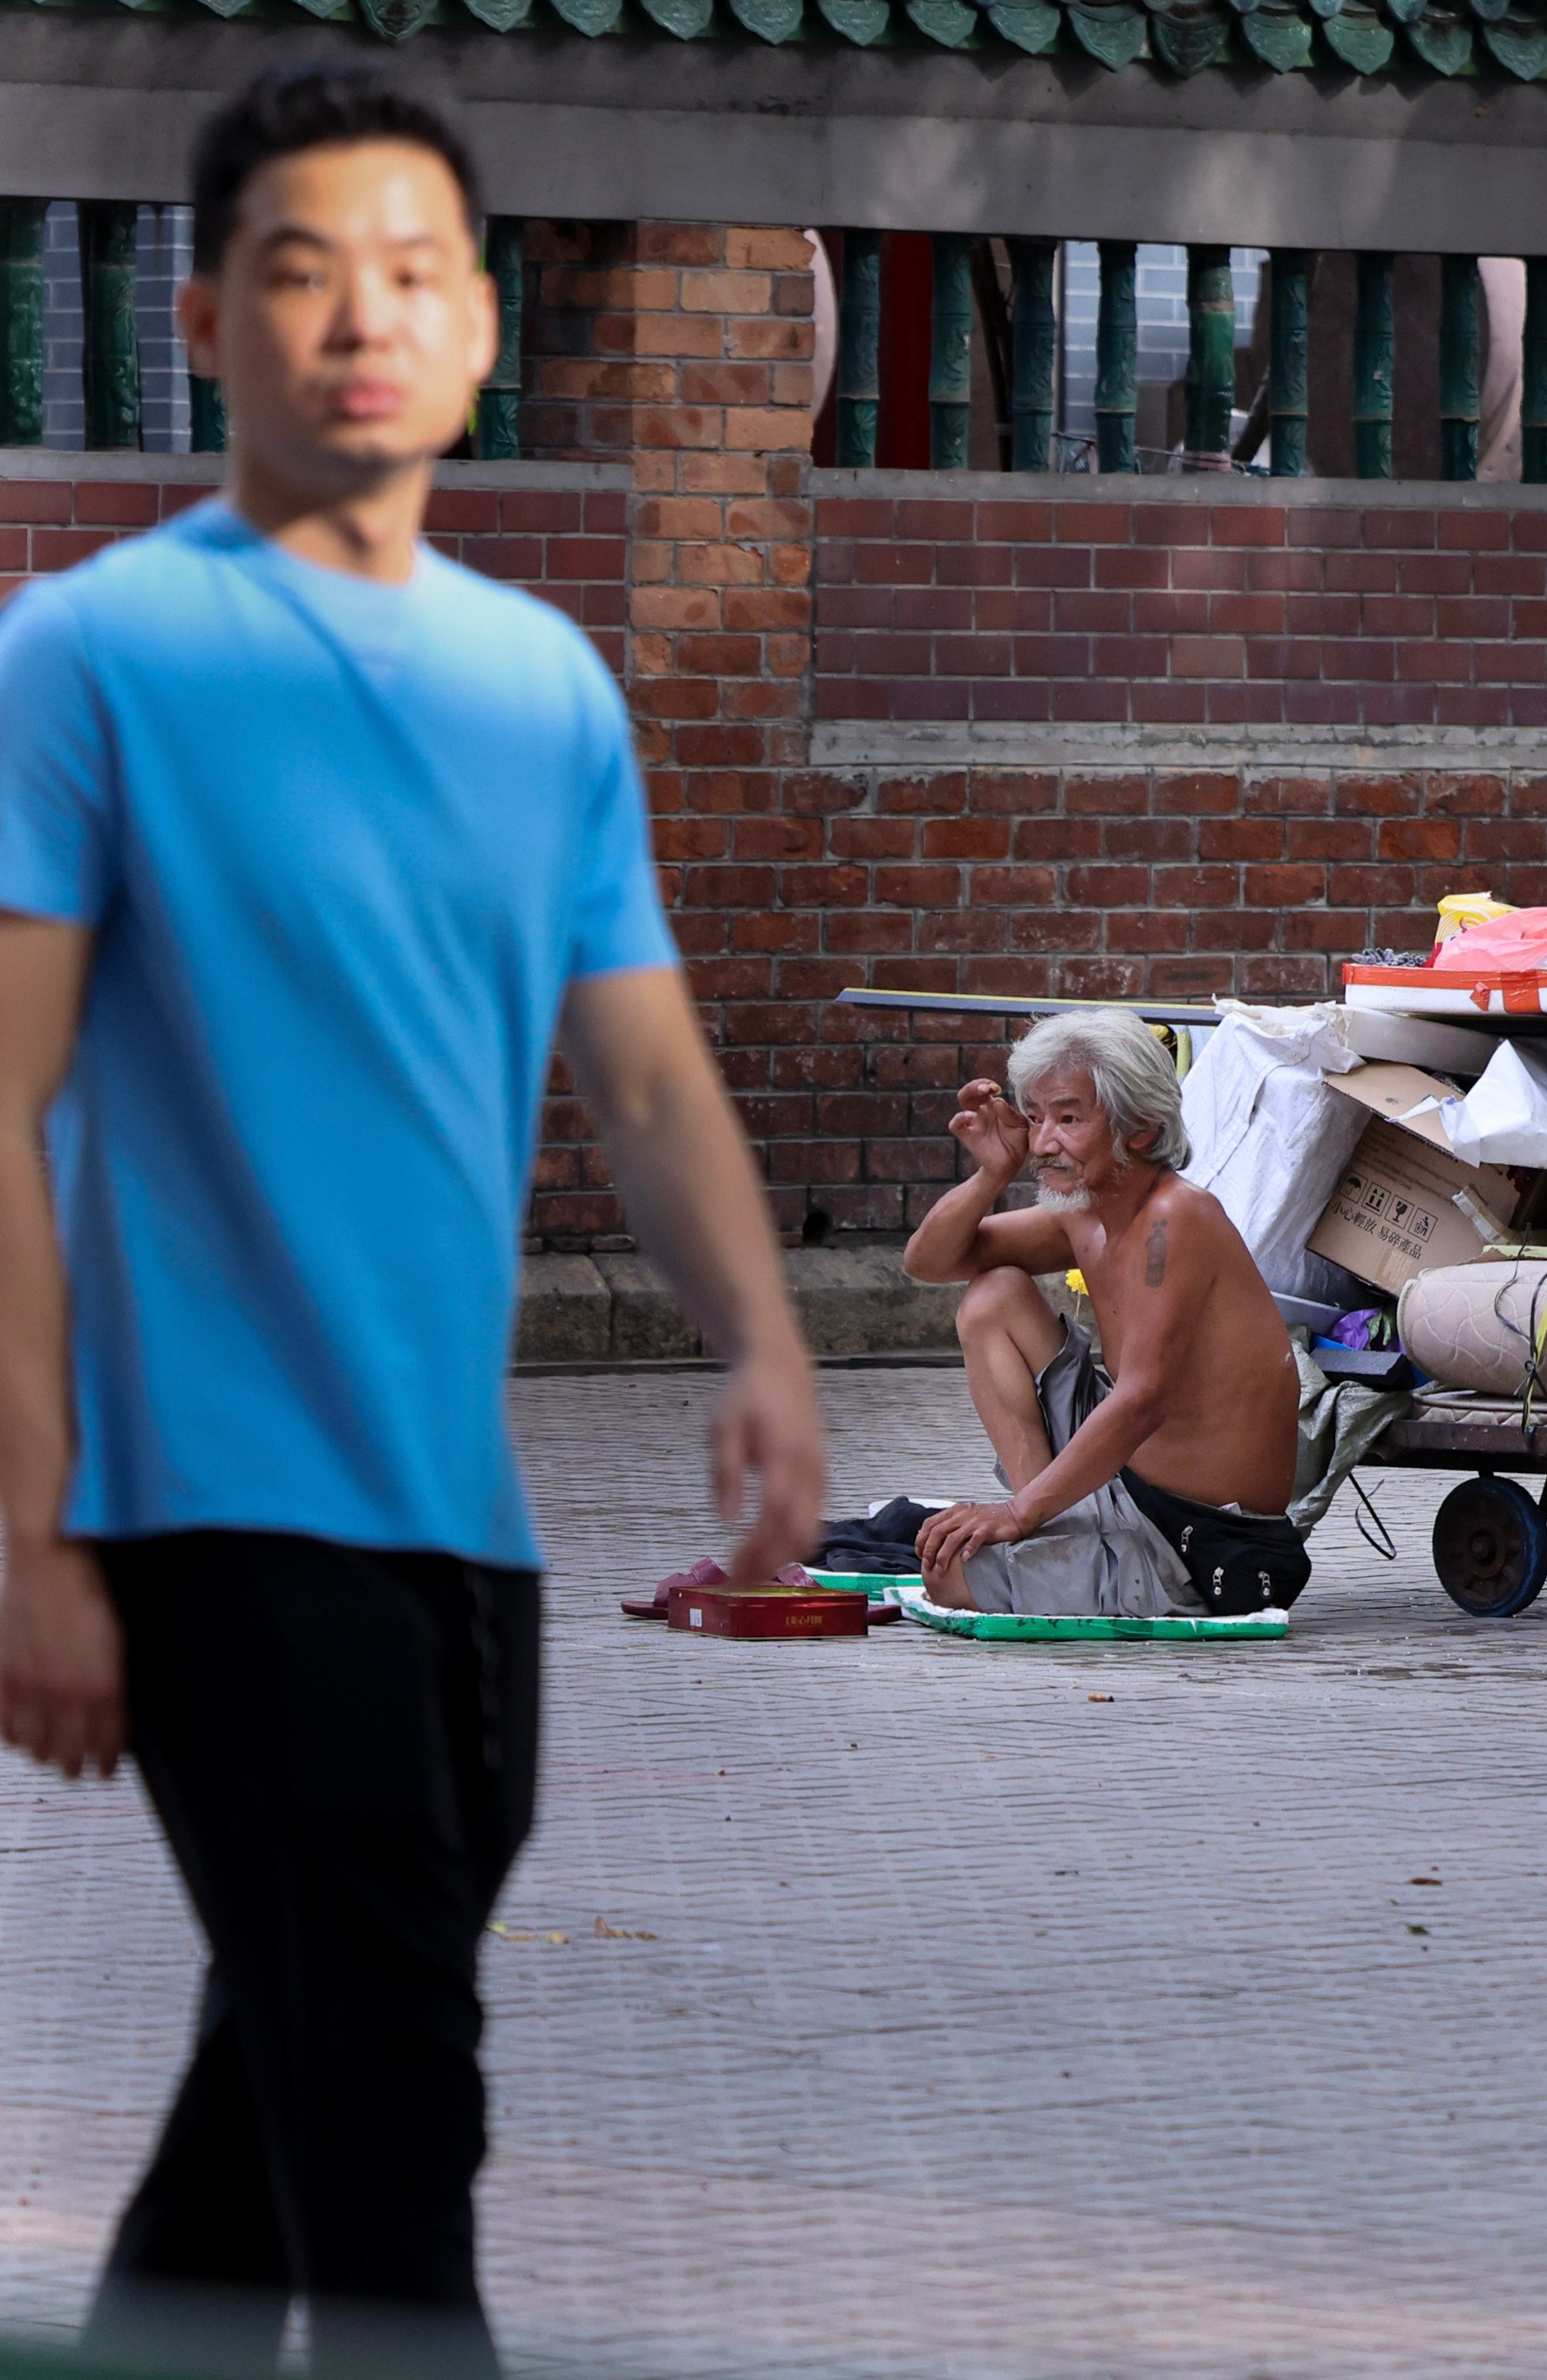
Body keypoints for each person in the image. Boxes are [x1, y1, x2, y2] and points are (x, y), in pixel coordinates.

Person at [0, 65, 825, 2378]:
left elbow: (645, 1072)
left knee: (281, 2099)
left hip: (457, 1523)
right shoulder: (88, 663)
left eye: (410, 269)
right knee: (392, 2150)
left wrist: (763, 1346)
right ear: (199, 321)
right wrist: (27, 1520)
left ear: (479, 330)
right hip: (200, 1504)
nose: (357, 316)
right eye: (296, 269)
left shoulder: (538, 684)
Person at [901, 1009, 1307, 1617]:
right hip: (1125, 1485)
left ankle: (1038, 1518)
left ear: (1138, 1128)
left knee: (953, 1580)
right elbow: (930, 1262)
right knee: (994, 1294)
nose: (1042, 1143)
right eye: (1034, 1119)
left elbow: (1141, 1400)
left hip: (1198, 1542)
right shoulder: (1086, 1210)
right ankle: (1051, 1522)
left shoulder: (1176, 1220)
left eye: (1067, 1118)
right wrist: (993, 1172)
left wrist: (1014, 1513)